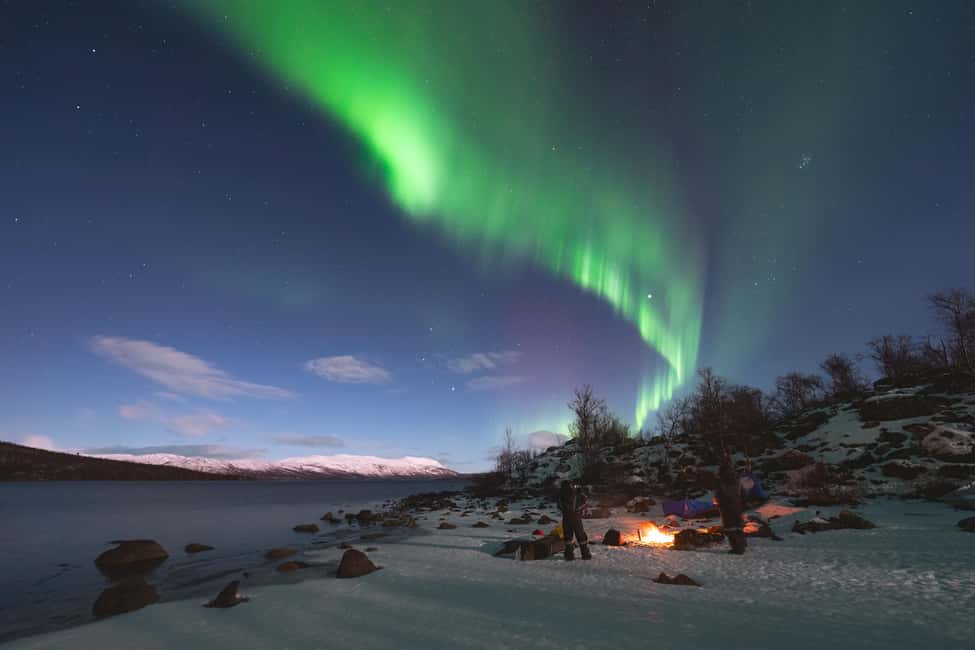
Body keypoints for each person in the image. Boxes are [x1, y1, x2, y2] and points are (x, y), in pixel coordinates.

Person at [715, 457, 747, 555]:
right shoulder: (736, 479)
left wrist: (719, 502)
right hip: (737, 505)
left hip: (727, 507)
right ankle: (742, 545)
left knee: (731, 527)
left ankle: (737, 549)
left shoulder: (723, 481)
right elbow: (742, 492)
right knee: (738, 526)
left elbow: (721, 494)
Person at [558, 480, 592, 561]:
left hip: (566, 517)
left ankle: (569, 555)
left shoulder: (561, 496)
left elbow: (559, 506)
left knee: (568, 536)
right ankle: (585, 554)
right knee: (581, 536)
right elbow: (584, 502)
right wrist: (580, 493)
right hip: (576, 517)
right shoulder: (576, 495)